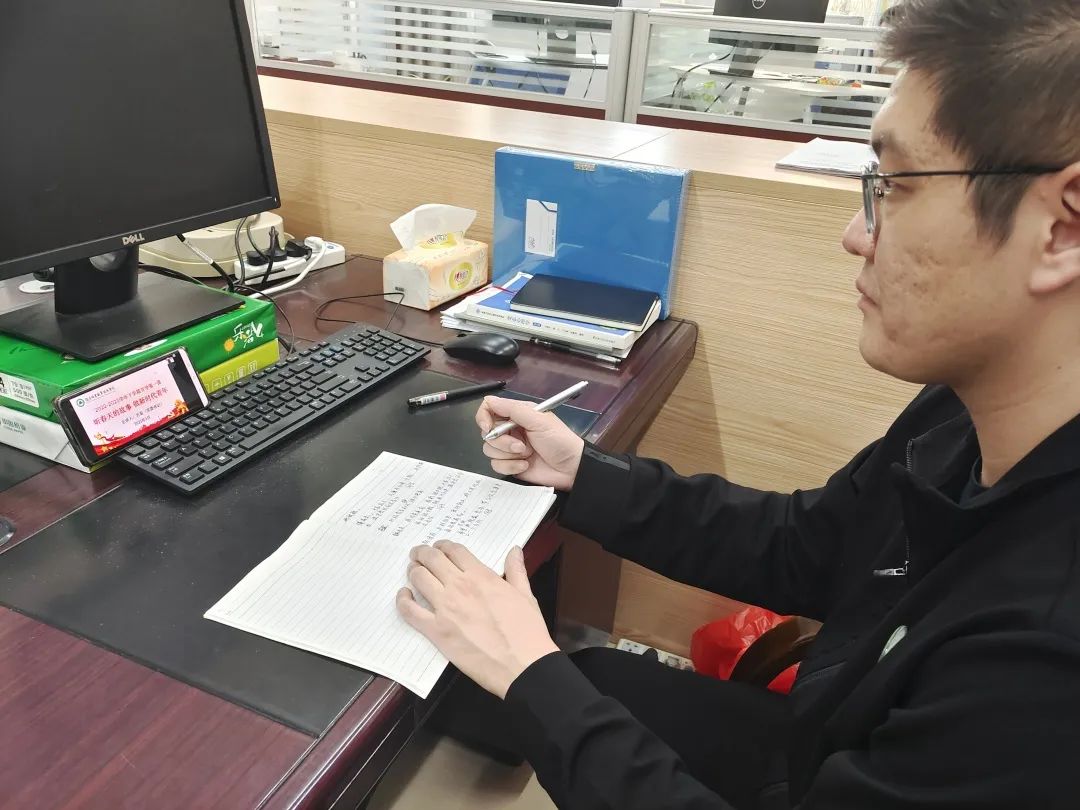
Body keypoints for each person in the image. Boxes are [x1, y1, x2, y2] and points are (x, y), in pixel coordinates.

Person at [396, 0, 1080, 806]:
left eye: (893, 186)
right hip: (820, 738)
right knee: (585, 677)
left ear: (1062, 228)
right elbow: (808, 546)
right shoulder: (967, 410)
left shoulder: (1041, 665)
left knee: (539, 690)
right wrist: (586, 472)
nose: (855, 235)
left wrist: (528, 673)